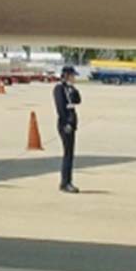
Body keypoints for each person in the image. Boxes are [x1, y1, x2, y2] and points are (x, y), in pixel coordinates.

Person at [54, 65, 82, 193]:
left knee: (70, 154)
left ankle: (67, 181)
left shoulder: (68, 88)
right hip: (65, 124)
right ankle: (65, 182)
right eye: (72, 76)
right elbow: (60, 108)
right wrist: (67, 123)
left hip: (71, 124)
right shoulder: (59, 88)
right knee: (68, 154)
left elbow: (78, 100)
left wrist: (73, 89)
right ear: (66, 75)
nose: (74, 78)